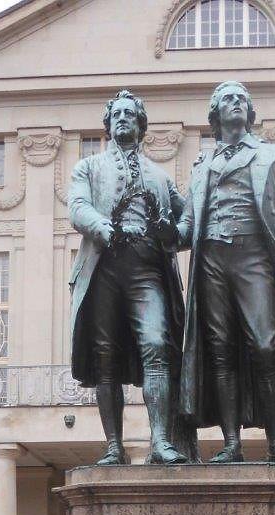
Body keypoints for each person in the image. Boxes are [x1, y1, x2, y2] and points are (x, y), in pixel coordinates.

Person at [177, 80, 275, 465]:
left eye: (242, 98)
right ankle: (231, 443)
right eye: (228, 98)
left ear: (250, 112)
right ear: (216, 113)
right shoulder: (202, 164)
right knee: (220, 349)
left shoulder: (271, 155)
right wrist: (161, 231)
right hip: (211, 259)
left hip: (254, 255)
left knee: (265, 345)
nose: (236, 102)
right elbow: (187, 224)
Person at [69, 88, 187, 466]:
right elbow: (78, 207)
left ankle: (161, 442)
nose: (122, 118)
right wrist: (103, 227)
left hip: (147, 271)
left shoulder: (160, 176)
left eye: (129, 114)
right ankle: (114, 446)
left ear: (141, 125)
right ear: (108, 124)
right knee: (105, 356)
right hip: (104, 268)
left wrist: (172, 232)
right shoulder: (88, 167)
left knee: (156, 344)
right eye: (116, 114)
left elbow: (188, 223)